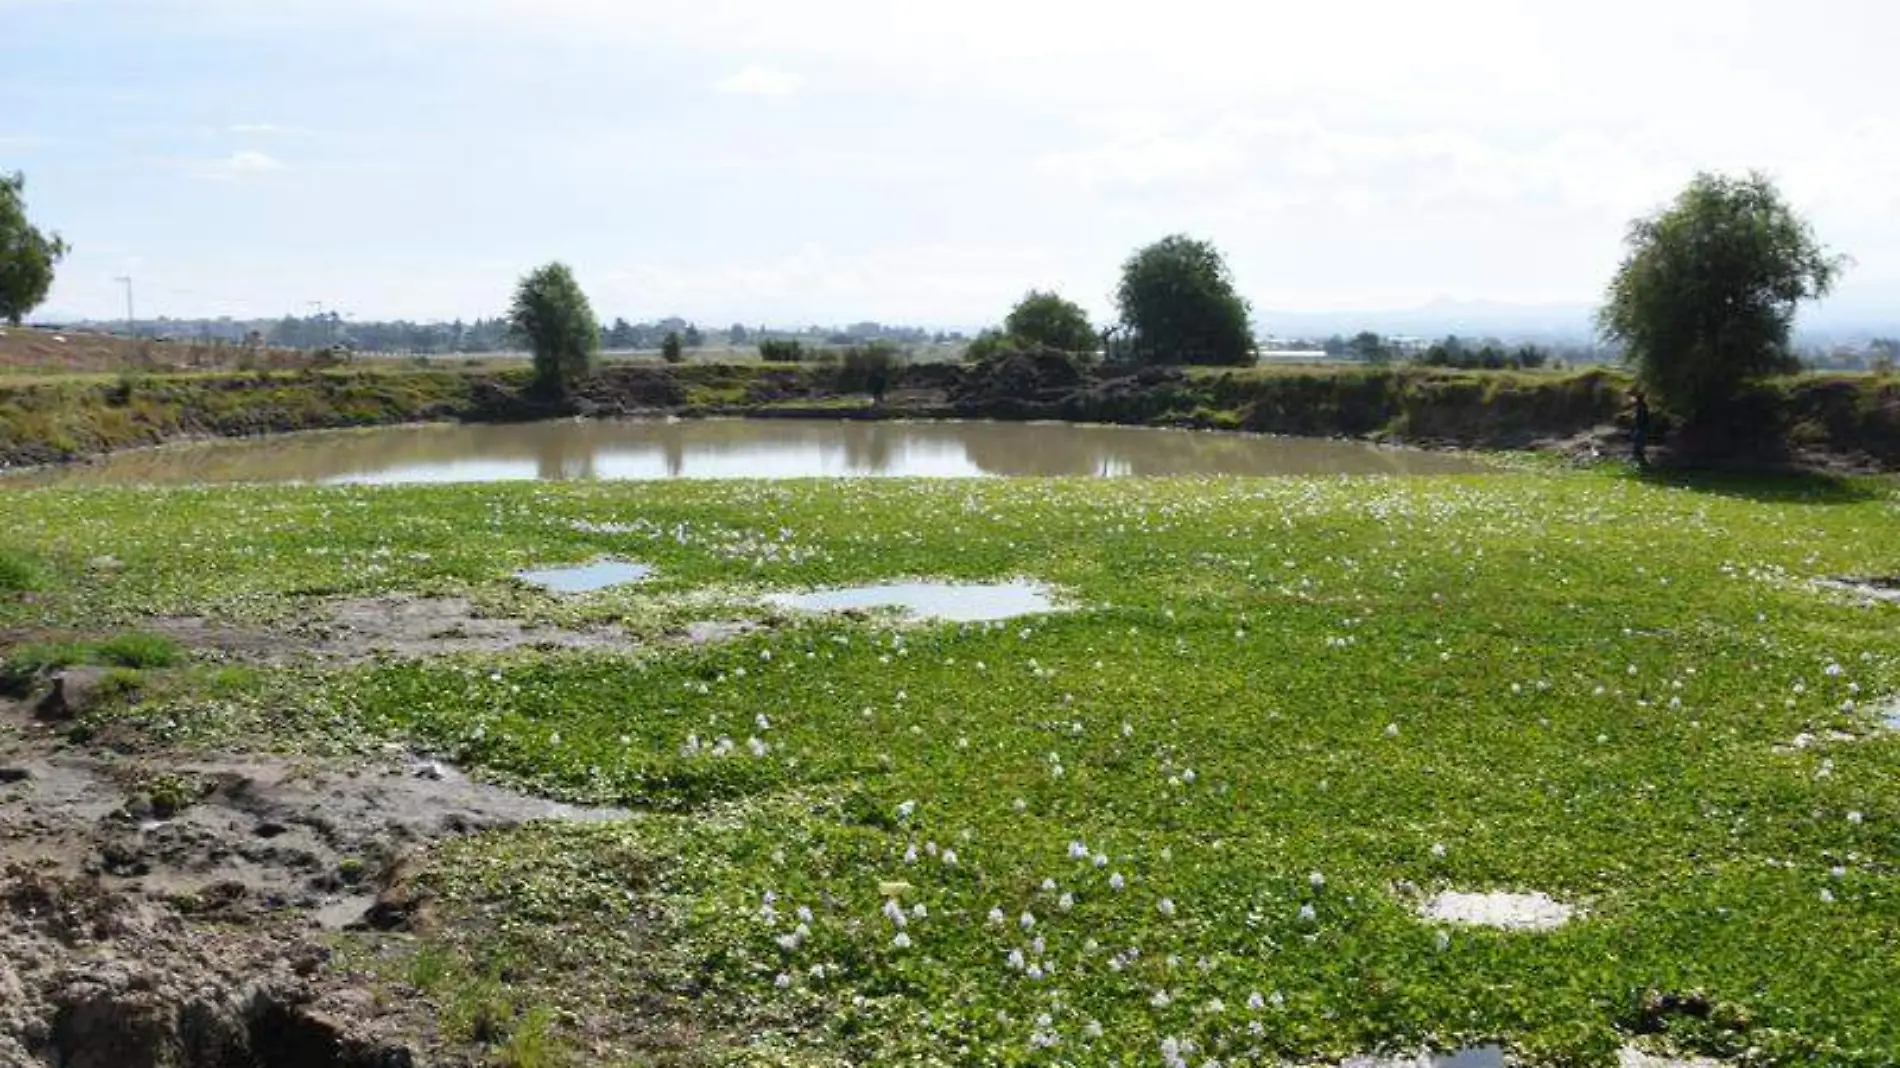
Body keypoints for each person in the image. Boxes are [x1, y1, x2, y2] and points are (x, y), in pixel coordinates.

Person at [1629, 388, 1650, 469]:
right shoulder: (1643, 406)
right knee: (1639, 447)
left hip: (1641, 429)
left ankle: (1642, 464)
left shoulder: (1641, 407)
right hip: (1641, 428)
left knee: (1638, 447)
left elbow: (1640, 419)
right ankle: (1642, 463)